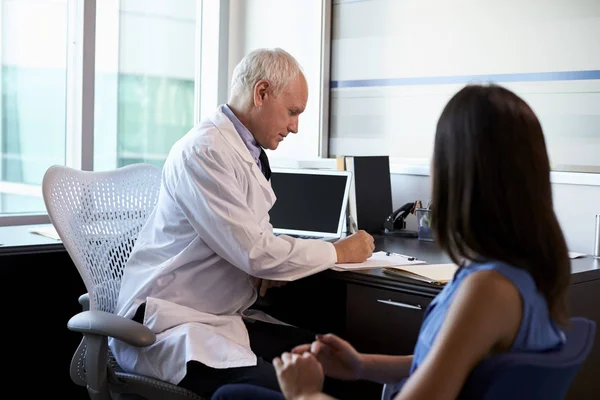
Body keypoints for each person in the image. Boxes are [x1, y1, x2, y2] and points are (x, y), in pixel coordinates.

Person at [211, 83, 571, 400]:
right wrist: (361, 365)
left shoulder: (488, 291)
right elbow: (451, 362)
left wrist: (305, 394)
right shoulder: (523, 274)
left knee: (232, 395)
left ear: (461, 174)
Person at [108, 47, 375, 398]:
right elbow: (254, 251)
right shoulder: (204, 150)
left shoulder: (244, 152)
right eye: (292, 112)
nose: (295, 127)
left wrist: (262, 270)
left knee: (339, 363)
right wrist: (337, 251)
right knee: (284, 388)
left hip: (216, 317)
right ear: (261, 93)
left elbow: (249, 242)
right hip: (170, 325)